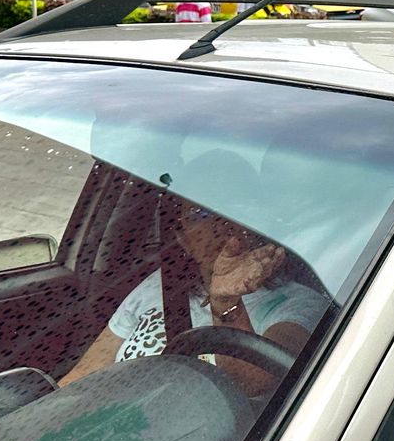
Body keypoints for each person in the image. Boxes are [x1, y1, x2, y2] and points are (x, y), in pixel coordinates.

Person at [64, 155, 328, 391]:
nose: (220, 224)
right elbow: (84, 377)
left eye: (233, 207)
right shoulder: (160, 284)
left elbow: (255, 380)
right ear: (182, 237)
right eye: (202, 213)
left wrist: (226, 304)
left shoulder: (297, 303)